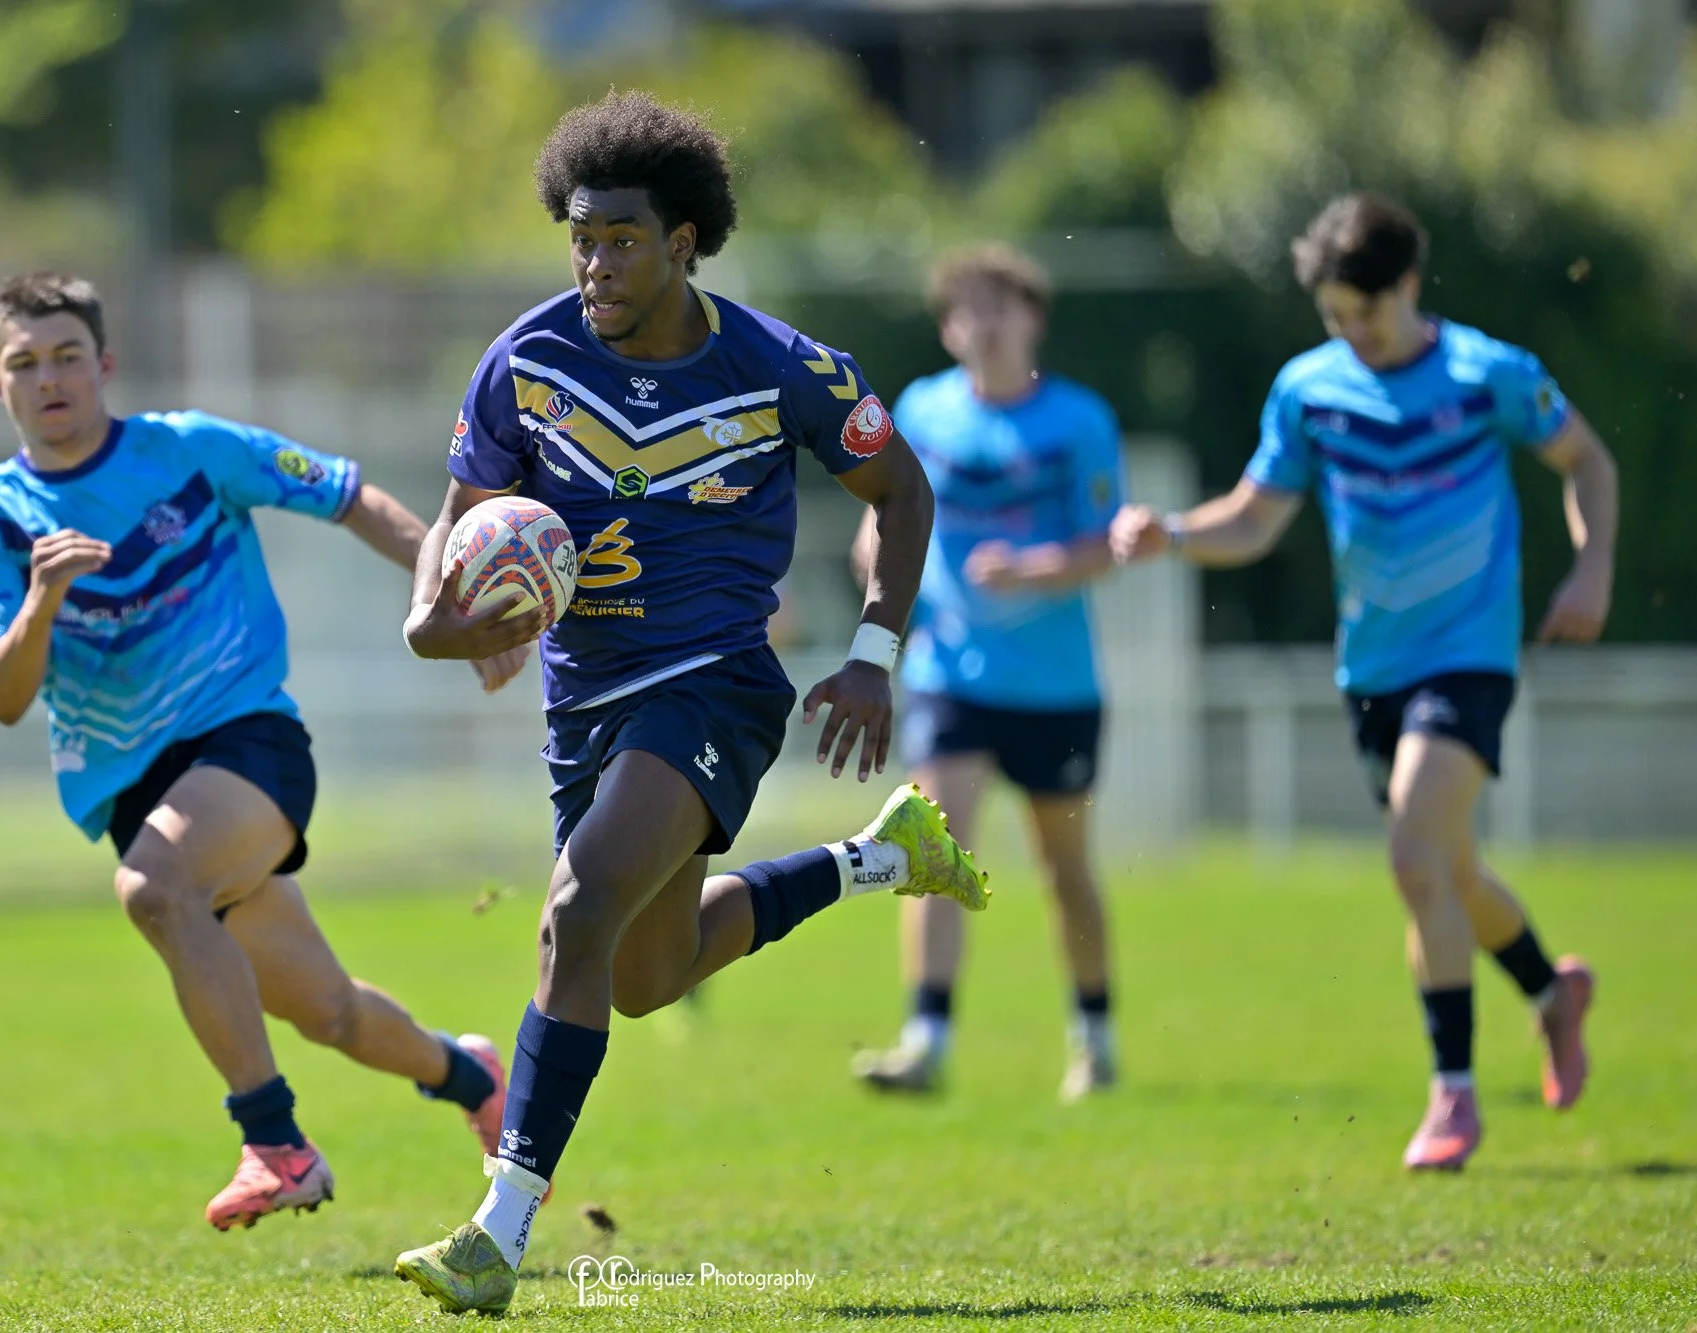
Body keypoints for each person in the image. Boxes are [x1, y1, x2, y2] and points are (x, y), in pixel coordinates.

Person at [390, 92, 989, 1315]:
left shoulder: (781, 369)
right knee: (646, 973)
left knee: (578, 904)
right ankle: (880, 863)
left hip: (715, 682)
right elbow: (457, 520)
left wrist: (874, 653)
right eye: (579, 236)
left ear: (683, 241)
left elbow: (904, 494)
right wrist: (430, 615)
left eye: (620, 237)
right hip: (582, 700)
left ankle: (497, 1231)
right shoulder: (527, 360)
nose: (595, 262)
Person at [0, 272, 525, 1230]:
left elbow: (349, 496)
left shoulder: (189, 450)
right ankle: (472, 1076)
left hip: (249, 741)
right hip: (137, 794)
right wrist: (43, 601)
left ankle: (276, 1146)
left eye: (67, 357)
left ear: (105, 365)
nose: (49, 379)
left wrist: (452, 600)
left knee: (154, 889)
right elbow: (4, 699)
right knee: (328, 1010)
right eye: (24, 364)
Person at [1111, 195, 1614, 1171]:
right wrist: (1170, 533)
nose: (1348, 331)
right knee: (1447, 870)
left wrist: (1590, 567)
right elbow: (1256, 518)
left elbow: (1584, 461)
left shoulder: (1483, 374)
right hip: (1370, 671)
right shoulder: (1309, 389)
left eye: (1363, 313)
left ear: (1408, 287)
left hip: (1467, 655)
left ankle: (1451, 1097)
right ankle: (1551, 994)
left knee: (1412, 853)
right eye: (1333, 314)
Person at [849, 245, 1126, 1103]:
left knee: (1063, 871)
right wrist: (881, 589)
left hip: (1056, 686)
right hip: (949, 676)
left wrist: (1037, 567)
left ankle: (1095, 1033)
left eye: (1003, 304)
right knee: (931, 843)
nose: (988, 322)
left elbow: (1108, 544)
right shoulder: (923, 411)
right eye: (969, 307)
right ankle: (925, 1039)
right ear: (947, 327)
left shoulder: (1078, 421)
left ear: (1033, 318)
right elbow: (880, 524)